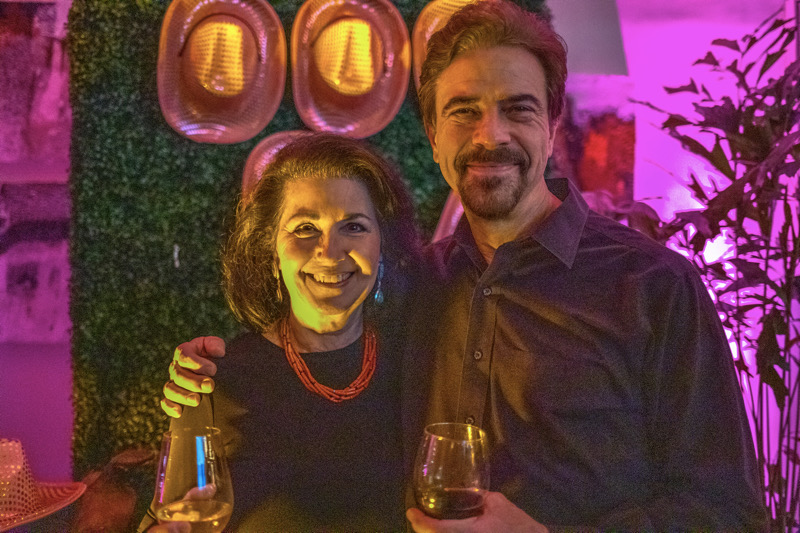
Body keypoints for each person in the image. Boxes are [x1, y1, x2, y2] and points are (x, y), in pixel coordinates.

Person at [162, 1, 767, 530]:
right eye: (463, 111)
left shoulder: (654, 287)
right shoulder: (414, 284)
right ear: (432, 134)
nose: (490, 135)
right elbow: (320, 366)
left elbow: (727, 513)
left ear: (553, 125)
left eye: (518, 109)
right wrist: (203, 375)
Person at [141, 132, 419, 532]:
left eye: (354, 227)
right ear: (271, 252)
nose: (330, 251)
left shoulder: (415, 361)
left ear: (382, 249)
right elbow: (168, 521)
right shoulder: (214, 383)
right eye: (305, 228)